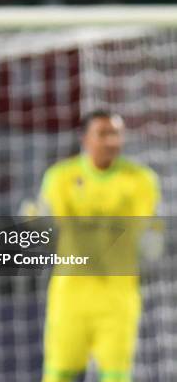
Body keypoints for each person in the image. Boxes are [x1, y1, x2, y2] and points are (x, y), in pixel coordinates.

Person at [40, 110, 160, 382]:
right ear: (84, 138)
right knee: (58, 375)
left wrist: (151, 238)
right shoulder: (59, 178)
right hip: (69, 296)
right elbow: (48, 229)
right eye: (103, 134)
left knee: (116, 376)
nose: (111, 141)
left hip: (118, 299)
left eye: (116, 134)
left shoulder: (141, 180)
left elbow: (146, 232)